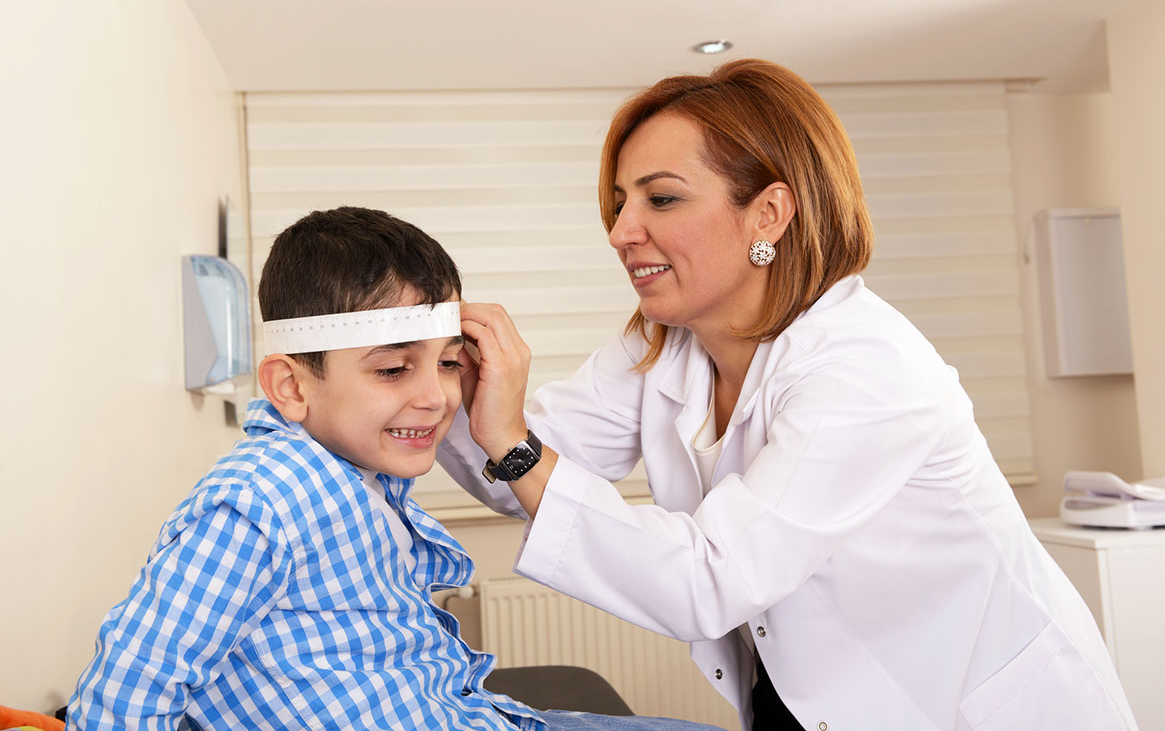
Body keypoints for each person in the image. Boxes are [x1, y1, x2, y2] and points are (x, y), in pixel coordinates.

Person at [445, 60, 1139, 731]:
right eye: (620, 201)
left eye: (661, 198)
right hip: (803, 698)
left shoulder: (866, 366)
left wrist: (512, 443)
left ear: (768, 213)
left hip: (952, 705)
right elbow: (519, 477)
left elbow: (710, 576)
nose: (621, 231)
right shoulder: (663, 345)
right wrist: (436, 376)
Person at [67, 207, 721, 731]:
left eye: (448, 362)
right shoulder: (263, 496)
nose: (437, 396)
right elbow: (126, 689)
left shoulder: (362, 474)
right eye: (391, 368)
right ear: (291, 386)